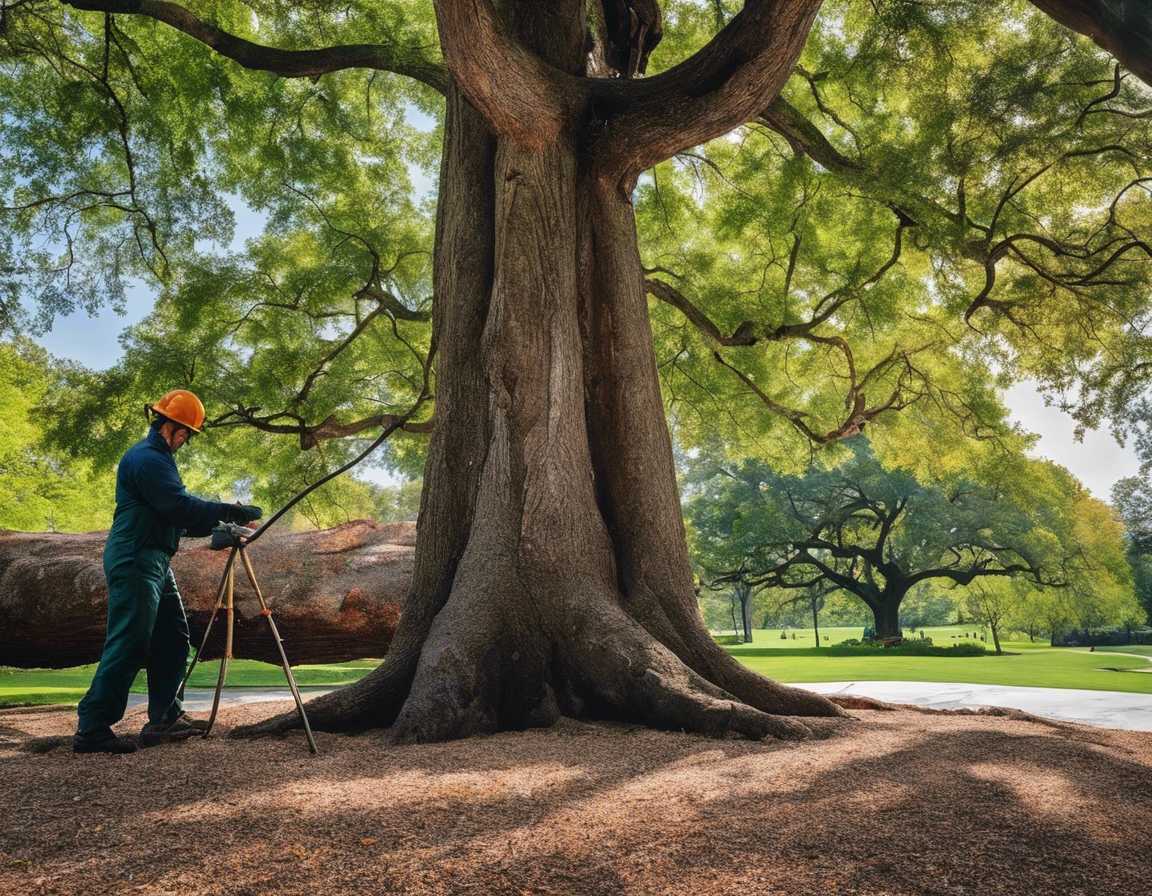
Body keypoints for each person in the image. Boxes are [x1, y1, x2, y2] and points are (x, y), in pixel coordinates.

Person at [73, 390, 263, 754]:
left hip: (156, 560)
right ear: (172, 427)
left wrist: (222, 527)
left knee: (174, 637)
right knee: (130, 639)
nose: (187, 441)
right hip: (134, 557)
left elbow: (175, 517)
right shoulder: (147, 459)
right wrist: (232, 511)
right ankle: (92, 728)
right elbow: (179, 506)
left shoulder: (158, 460)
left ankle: (165, 718)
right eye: (187, 434)